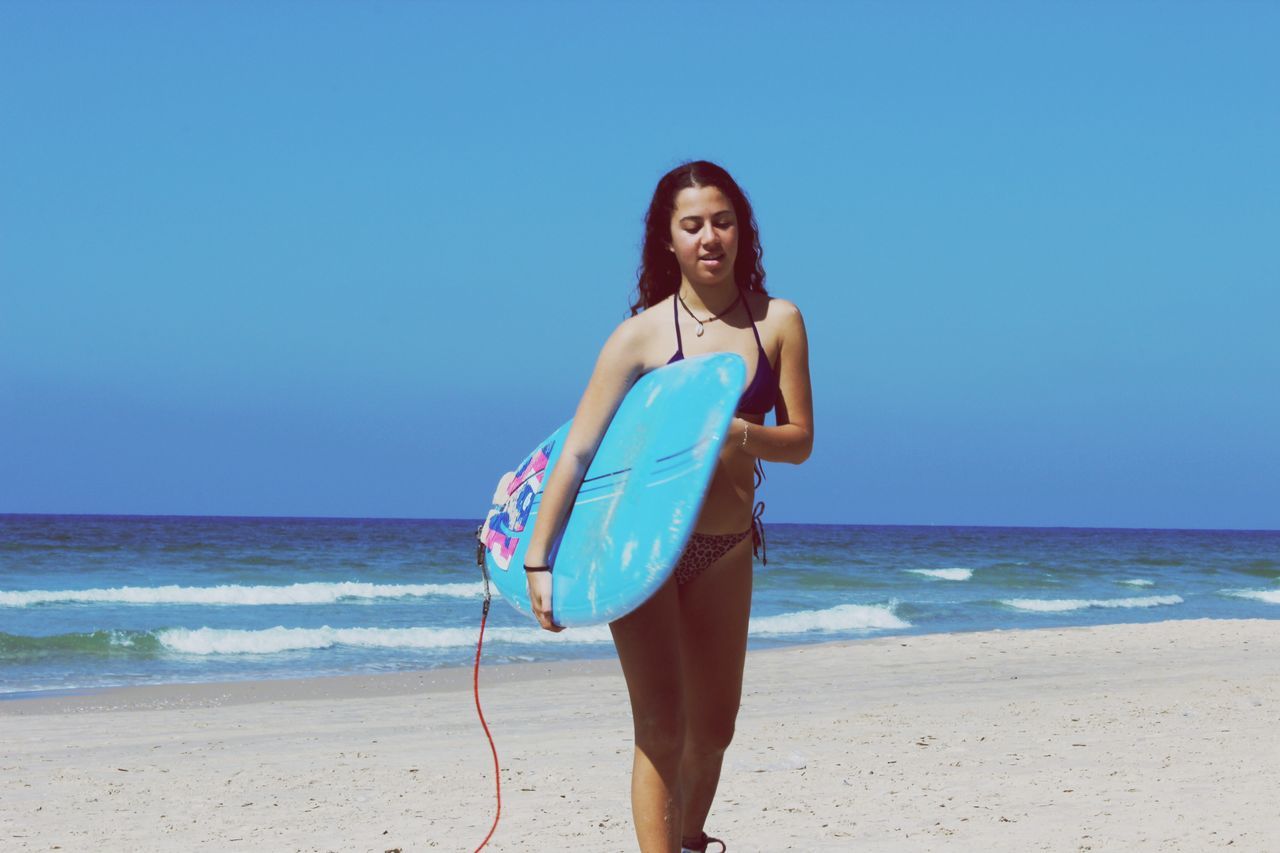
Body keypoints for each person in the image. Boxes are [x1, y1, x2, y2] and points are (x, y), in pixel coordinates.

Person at [520, 160, 814, 852]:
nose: (710, 237)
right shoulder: (640, 338)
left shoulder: (778, 324)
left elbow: (800, 440)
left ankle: (686, 839)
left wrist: (739, 431)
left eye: (723, 220)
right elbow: (578, 451)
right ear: (668, 240)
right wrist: (539, 560)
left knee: (714, 728)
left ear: (742, 229)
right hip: (640, 549)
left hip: (724, 546)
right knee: (660, 726)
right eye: (692, 225)